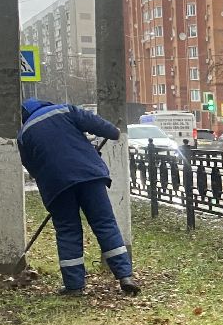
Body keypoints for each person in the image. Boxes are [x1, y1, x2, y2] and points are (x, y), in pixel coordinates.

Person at [17, 98, 140, 297]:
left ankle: (74, 286)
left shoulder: (24, 134)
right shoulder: (64, 111)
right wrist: (114, 132)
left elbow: (31, 167)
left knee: (68, 230)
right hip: (89, 176)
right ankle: (125, 276)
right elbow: (93, 122)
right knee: (105, 223)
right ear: (44, 104)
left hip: (56, 186)